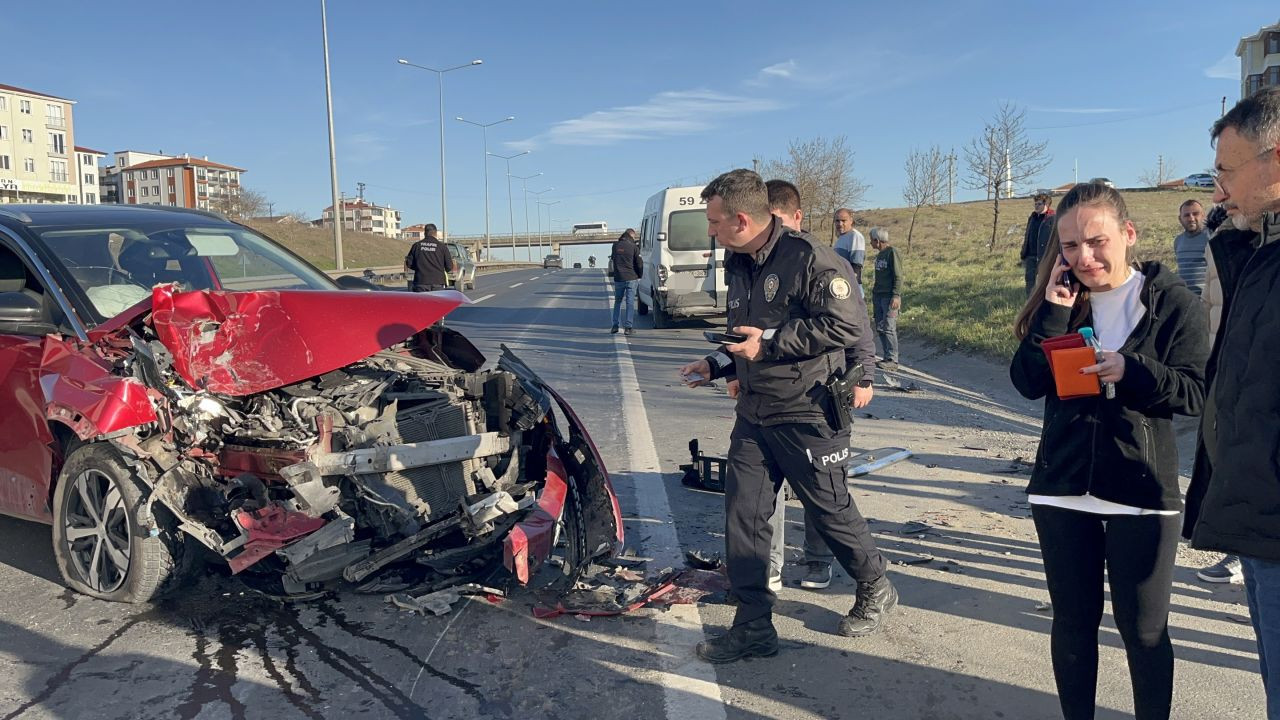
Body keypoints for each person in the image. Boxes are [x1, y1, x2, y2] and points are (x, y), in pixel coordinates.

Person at [679, 169, 896, 663]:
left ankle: (875, 582)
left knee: (830, 511)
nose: (710, 231)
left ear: (740, 218)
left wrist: (773, 344)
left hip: (808, 412)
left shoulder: (810, 259)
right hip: (755, 414)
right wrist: (715, 365)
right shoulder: (737, 261)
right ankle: (753, 625)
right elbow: (745, 332)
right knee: (744, 516)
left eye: (714, 222)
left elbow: (844, 325)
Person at [1010, 181, 1208, 720]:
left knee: (1143, 632)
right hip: (1062, 487)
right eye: (1070, 246)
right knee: (1073, 624)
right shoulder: (1062, 297)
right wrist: (1051, 315)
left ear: (1128, 234)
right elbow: (1026, 382)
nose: (1084, 257)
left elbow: (1195, 391)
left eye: (1097, 242)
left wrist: (1133, 370)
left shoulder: (1172, 303)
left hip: (1141, 489)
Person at [1184, 87, 1280, 719]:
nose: (1218, 191)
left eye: (1226, 170)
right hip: (1259, 515)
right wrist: (1238, 240)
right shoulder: (1265, 252)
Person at [759, 179, 876, 592]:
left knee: (821, 489)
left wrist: (864, 374)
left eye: (779, 223)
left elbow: (856, 324)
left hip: (824, 391)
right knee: (765, 493)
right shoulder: (759, 264)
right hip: (774, 393)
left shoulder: (821, 260)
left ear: (797, 218)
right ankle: (767, 567)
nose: (775, 233)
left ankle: (818, 560)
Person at [868, 227, 902, 371]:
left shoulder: (891, 253)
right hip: (878, 296)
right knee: (880, 327)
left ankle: (893, 360)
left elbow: (898, 275)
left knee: (889, 327)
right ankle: (886, 357)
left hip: (889, 296)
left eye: (871, 240)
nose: (870, 243)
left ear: (877, 240)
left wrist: (896, 295)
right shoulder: (879, 255)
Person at [1019, 190, 1057, 296]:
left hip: (1045, 256)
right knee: (1030, 282)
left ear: (1046, 204)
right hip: (1030, 256)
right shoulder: (1032, 218)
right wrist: (1024, 252)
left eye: (1039, 204)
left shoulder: (1053, 219)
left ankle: (1045, 303)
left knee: (1045, 282)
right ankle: (1030, 305)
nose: (1036, 206)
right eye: (1035, 204)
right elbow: (1027, 235)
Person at [1173, 199, 1210, 296]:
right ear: (1180, 219)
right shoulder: (1178, 241)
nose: (1191, 218)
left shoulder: (1212, 238)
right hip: (1187, 300)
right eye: (1186, 215)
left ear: (1203, 216)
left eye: (1195, 214)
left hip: (1207, 299)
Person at [608, 228, 642, 335]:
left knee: (618, 302)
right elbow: (639, 263)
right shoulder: (634, 247)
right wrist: (639, 275)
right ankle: (628, 327)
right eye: (634, 237)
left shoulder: (615, 246)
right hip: (631, 278)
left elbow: (613, 259)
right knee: (630, 303)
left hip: (619, 279)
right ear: (631, 236)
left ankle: (615, 325)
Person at [404, 224, 456, 292]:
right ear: (436, 233)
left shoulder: (416, 246)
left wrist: (419, 268)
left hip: (421, 282)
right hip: (438, 282)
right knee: (436, 302)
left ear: (425, 233)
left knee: (421, 302)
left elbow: (409, 263)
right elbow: (449, 266)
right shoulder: (442, 247)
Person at [832, 208, 866, 296]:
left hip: (851, 288)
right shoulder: (841, 238)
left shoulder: (855, 236)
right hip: (842, 286)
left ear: (851, 221)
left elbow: (856, 266)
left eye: (843, 220)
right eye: (837, 221)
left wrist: (851, 292)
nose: (840, 224)